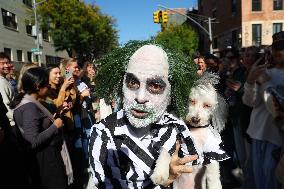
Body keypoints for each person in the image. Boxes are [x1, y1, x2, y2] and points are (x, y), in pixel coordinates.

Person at [89, 41, 199, 188]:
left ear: (171, 93)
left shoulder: (177, 129)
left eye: (155, 86)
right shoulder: (103, 134)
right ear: (122, 85)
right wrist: (165, 182)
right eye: (133, 83)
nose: (140, 98)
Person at [10, 67, 72, 189]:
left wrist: (55, 116)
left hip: (45, 157)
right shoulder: (29, 107)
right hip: (45, 160)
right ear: (38, 86)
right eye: (47, 85)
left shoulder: (30, 102)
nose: (49, 87)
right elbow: (32, 140)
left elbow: (38, 125)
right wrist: (55, 126)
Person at [242, 31, 284, 189]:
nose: (279, 51)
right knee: (257, 178)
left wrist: (265, 84)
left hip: (277, 138)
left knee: (271, 178)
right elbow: (251, 102)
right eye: (276, 47)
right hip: (257, 134)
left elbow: (278, 109)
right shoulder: (264, 70)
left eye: (283, 47)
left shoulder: (266, 75)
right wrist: (250, 82)